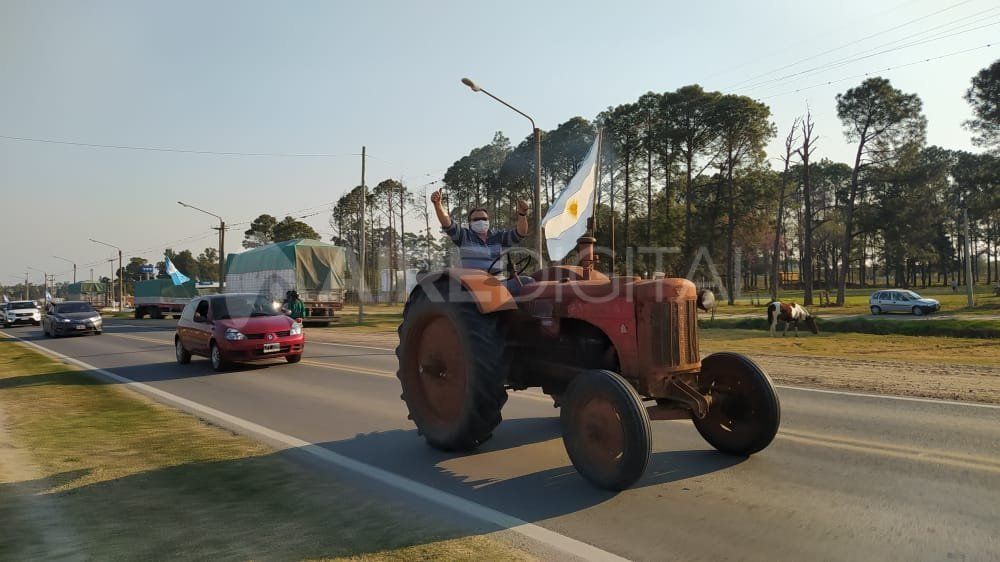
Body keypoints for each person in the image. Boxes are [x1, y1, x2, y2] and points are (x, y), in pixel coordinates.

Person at [431, 189, 532, 288]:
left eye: (484, 219)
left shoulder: (498, 237)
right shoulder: (464, 236)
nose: (481, 221)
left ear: (488, 221)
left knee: (529, 282)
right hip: (475, 284)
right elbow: (447, 223)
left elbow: (520, 233)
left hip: (499, 280)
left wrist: (522, 214)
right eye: (476, 219)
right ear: (470, 223)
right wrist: (438, 205)